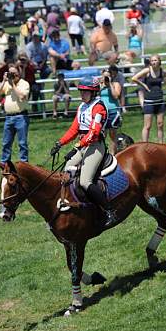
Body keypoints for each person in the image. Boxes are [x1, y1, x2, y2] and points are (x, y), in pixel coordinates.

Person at [50, 76, 117, 228]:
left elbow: (94, 132)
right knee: (66, 171)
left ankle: (109, 211)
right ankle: (72, 203)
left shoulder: (98, 107)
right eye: (81, 91)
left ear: (93, 92)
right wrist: (60, 143)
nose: (82, 94)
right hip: (82, 145)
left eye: (85, 92)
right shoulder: (82, 106)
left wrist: (77, 146)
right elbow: (74, 129)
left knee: (85, 181)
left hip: (95, 146)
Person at [0, 65, 31, 202]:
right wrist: (4, 81)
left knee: (22, 144)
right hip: (9, 117)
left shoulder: (24, 84)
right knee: (6, 144)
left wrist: (12, 85)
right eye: (10, 74)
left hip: (21, 116)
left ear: (19, 74)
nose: (12, 76)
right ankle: (5, 168)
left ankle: (24, 167)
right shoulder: (6, 83)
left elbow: (22, 96)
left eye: (14, 74)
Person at [132, 54, 166, 143]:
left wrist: (164, 83)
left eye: (155, 60)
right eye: (152, 61)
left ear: (159, 61)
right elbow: (134, 78)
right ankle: (145, 144)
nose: (154, 62)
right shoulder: (147, 71)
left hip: (160, 101)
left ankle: (161, 144)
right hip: (149, 102)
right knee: (147, 126)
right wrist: (143, 85)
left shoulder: (162, 71)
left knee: (160, 125)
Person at [100, 67, 123, 154]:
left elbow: (116, 96)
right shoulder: (100, 84)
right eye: (104, 76)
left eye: (108, 76)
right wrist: (102, 86)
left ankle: (113, 154)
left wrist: (110, 84)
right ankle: (102, 153)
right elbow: (94, 95)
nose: (106, 78)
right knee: (102, 134)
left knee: (113, 134)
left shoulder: (115, 84)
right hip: (102, 112)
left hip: (113, 111)